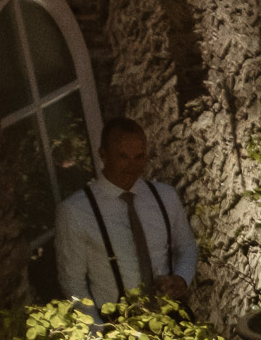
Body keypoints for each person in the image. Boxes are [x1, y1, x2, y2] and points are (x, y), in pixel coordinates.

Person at [54, 118, 197, 314]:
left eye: (139, 157)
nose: (133, 166)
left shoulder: (165, 196)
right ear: (103, 155)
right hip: (117, 328)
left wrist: (181, 278)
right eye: (123, 157)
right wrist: (99, 333)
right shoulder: (75, 211)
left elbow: (187, 246)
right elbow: (73, 283)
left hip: (172, 317)